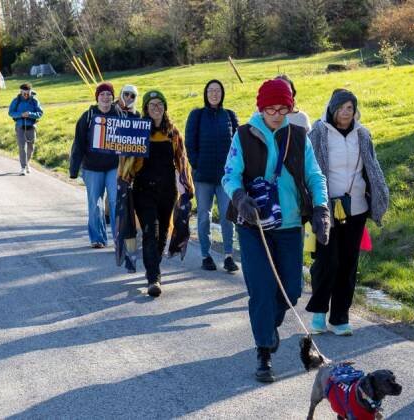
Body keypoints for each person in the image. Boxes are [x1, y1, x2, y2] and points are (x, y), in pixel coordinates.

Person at [222, 79, 329, 383]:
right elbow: (229, 175)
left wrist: (321, 209)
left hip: (290, 224)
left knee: (291, 290)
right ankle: (264, 354)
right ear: (260, 107)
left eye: (284, 108)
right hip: (252, 224)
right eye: (271, 108)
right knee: (261, 289)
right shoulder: (243, 135)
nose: (277, 114)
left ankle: (269, 324)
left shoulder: (298, 135)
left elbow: (315, 175)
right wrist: (240, 197)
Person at [305, 89, 389, 336]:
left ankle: (340, 317)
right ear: (332, 109)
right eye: (341, 107)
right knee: (327, 261)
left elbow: (372, 167)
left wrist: (378, 196)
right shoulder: (318, 132)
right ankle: (319, 312)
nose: (345, 112)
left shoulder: (362, 134)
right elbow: (309, 169)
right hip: (325, 209)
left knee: (348, 264)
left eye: (350, 108)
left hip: (356, 208)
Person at [119, 90, 194, 298]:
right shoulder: (138, 131)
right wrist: (123, 182)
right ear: (145, 109)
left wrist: (187, 187)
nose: (156, 108)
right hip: (143, 190)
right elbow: (126, 161)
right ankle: (153, 278)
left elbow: (182, 160)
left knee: (162, 234)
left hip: (167, 190)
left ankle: (154, 267)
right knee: (150, 231)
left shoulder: (172, 132)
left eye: (159, 104)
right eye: (152, 105)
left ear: (165, 108)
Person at [185, 79, 240, 273]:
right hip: (203, 177)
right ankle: (205, 255)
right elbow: (190, 144)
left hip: (226, 178)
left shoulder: (230, 116)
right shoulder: (197, 115)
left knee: (227, 216)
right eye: (211, 91)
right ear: (205, 93)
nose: (214, 94)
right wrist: (197, 165)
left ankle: (228, 256)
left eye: (217, 90)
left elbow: (238, 146)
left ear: (222, 93)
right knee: (204, 217)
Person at [70, 82, 132, 249]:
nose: (105, 97)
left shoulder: (120, 115)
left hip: (114, 166)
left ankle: (119, 239)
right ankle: (97, 238)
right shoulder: (88, 116)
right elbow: (78, 143)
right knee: (95, 204)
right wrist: (74, 169)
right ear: (97, 97)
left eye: (109, 95)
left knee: (115, 201)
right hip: (91, 167)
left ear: (113, 98)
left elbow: (131, 137)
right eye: (102, 94)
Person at [8, 83, 44, 176]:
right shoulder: (16, 101)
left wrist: (30, 114)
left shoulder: (35, 101)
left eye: (28, 93)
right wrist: (21, 114)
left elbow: (40, 113)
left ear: (30, 92)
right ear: (21, 92)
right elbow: (11, 113)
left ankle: (28, 163)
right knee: (22, 147)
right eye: (24, 93)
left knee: (31, 147)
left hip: (31, 126)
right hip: (20, 127)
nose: (26, 95)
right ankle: (23, 167)